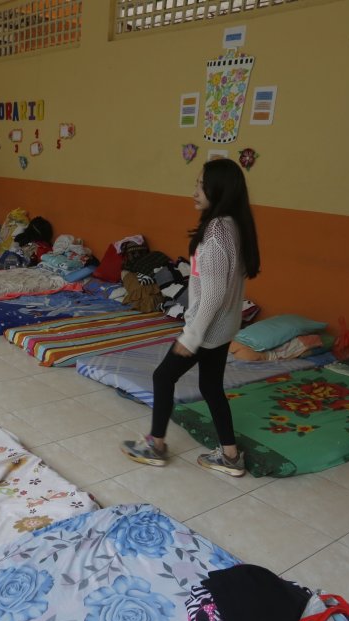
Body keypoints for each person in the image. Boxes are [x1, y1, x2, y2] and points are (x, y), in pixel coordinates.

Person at [120, 158, 261, 476]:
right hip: (224, 326)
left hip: (208, 328)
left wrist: (192, 336)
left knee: (162, 376)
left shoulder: (217, 236)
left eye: (200, 185)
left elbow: (212, 296)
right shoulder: (231, 225)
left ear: (219, 190)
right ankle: (230, 456)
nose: (194, 191)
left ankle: (155, 446)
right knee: (211, 387)